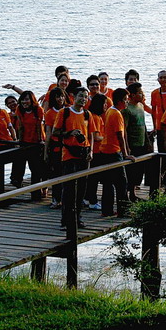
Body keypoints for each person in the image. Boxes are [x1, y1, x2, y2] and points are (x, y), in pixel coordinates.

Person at [54, 87, 98, 229]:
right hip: (69, 153)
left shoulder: (87, 114)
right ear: (74, 97)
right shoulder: (64, 112)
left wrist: (91, 151)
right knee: (69, 188)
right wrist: (69, 133)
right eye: (80, 96)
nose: (83, 99)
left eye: (85, 97)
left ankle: (77, 217)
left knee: (81, 188)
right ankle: (66, 220)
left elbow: (91, 134)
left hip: (84, 153)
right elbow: (55, 132)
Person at [95, 88, 134, 216]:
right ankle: (123, 210)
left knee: (108, 183)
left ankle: (107, 210)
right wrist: (125, 154)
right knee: (121, 182)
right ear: (120, 101)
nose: (127, 102)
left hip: (105, 150)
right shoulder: (116, 114)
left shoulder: (110, 111)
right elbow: (120, 136)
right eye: (126, 100)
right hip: (113, 151)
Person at [14, 90, 46, 200]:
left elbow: (39, 126)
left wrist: (40, 140)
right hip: (25, 141)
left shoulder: (38, 110)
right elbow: (20, 126)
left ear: (32, 100)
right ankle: (18, 182)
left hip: (37, 141)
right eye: (22, 99)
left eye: (27, 99)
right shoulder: (19, 110)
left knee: (36, 168)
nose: (24, 102)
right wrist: (20, 141)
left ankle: (37, 193)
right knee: (24, 165)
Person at [122, 82, 148, 201]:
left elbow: (143, 125)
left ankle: (133, 194)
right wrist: (126, 147)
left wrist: (147, 141)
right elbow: (124, 129)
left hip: (141, 143)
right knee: (130, 171)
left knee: (139, 171)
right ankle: (128, 195)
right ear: (132, 95)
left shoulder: (141, 106)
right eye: (140, 93)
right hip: (132, 144)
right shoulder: (127, 110)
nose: (142, 95)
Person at [83, 93, 107, 210]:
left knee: (91, 177)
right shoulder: (96, 118)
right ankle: (93, 201)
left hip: (91, 150)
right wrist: (107, 137)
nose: (106, 106)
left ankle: (87, 198)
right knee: (94, 178)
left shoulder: (90, 115)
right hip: (96, 151)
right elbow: (96, 137)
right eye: (105, 104)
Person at [43, 87, 66, 209]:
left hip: (69, 146)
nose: (60, 99)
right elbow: (48, 133)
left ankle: (66, 198)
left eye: (62, 96)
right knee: (56, 173)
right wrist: (46, 151)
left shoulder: (69, 110)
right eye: (57, 96)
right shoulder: (50, 113)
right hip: (56, 146)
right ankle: (56, 199)